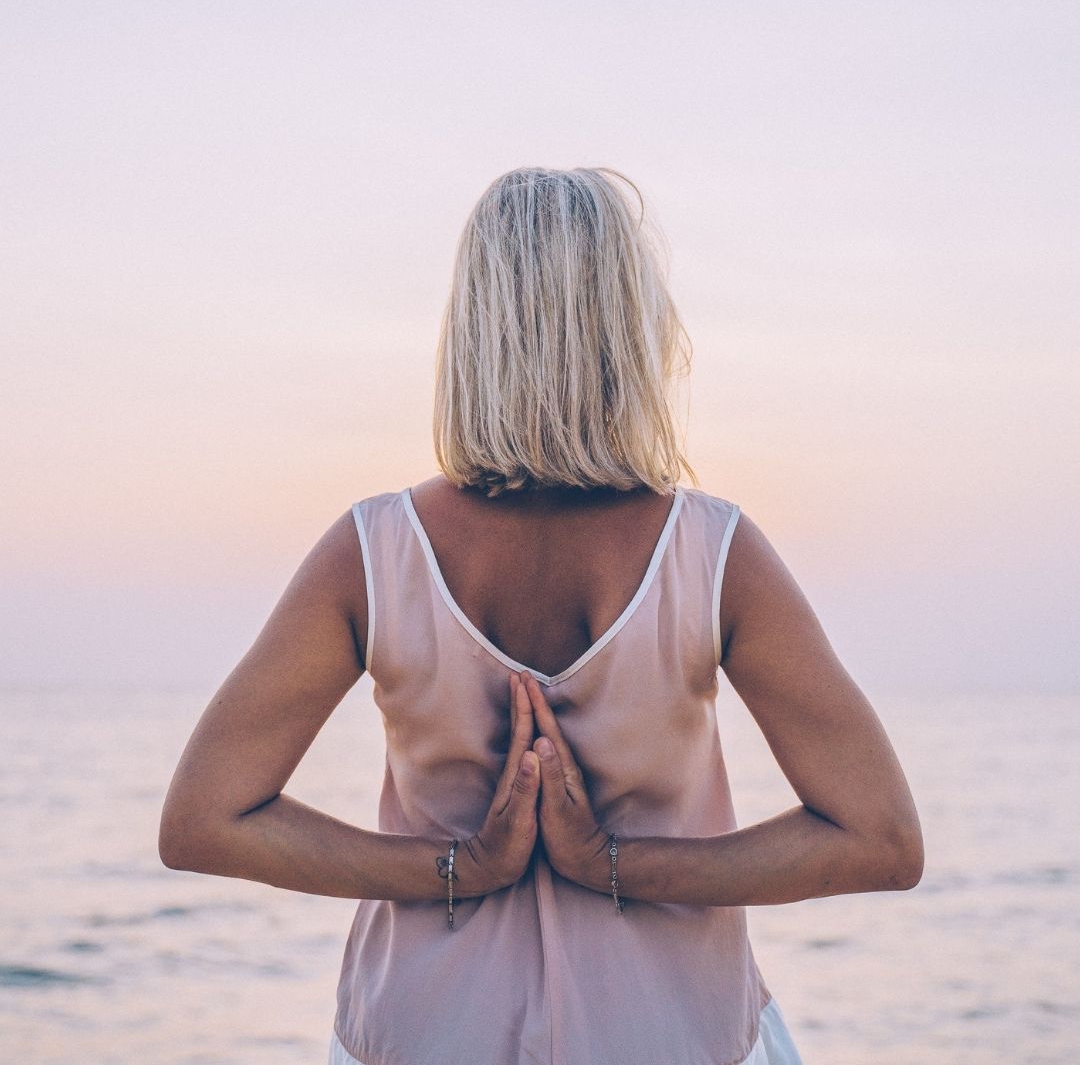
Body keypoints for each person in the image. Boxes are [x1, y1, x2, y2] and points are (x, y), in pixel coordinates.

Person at [159, 166, 924, 1065]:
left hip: (424, 1036)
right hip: (669, 1035)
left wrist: (458, 870)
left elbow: (203, 819)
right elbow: (881, 839)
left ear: (475, 329)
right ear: (630, 331)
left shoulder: (373, 550)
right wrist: (610, 862)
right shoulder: (712, 553)